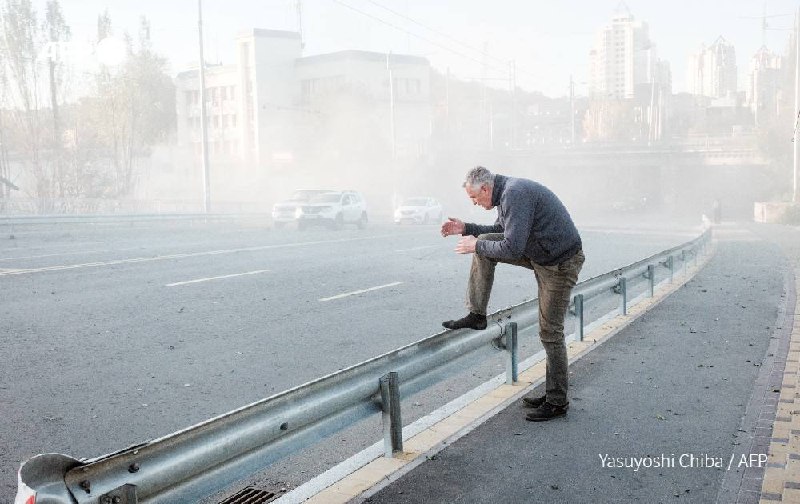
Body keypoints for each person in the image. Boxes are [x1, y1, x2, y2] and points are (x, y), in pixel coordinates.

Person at [441, 166, 584, 422]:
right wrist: (466, 228)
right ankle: (477, 314)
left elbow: (512, 247)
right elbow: (500, 231)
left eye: (474, 198)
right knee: (484, 240)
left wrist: (477, 244)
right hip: (540, 255)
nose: (474, 203)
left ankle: (557, 401)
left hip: (559, 263)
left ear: (485, 188)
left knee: (550, 332)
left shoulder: (514, 194)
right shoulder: (505, 194)